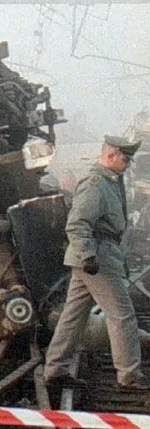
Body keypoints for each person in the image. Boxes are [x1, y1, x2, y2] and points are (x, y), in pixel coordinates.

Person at [44, 135, 150, 392]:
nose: (128, 163)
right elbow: (77, 224)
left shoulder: (111, 182)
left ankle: (55, 370)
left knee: (73, 316)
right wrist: (88, 256)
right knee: (122, 315)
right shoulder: (95, 184)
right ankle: (129, 375)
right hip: (96, 256)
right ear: (110, 155)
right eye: (125, 158)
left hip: (101, 254)